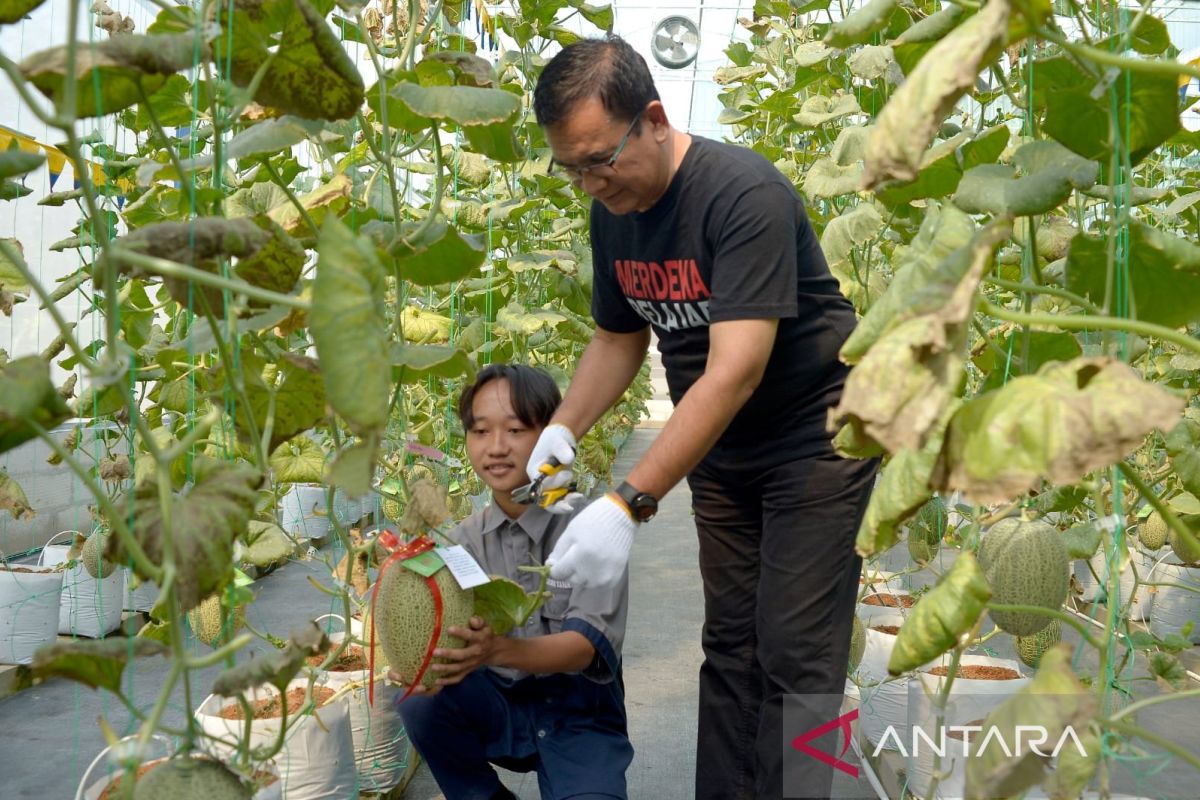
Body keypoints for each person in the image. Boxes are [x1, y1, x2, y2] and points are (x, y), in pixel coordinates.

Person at [527, 36, 879, 799]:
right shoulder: (614, 210)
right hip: (726, 450)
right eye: (571, 168)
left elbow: (735, 371)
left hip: (817, 438)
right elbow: (618, 337)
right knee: (730, 645)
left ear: (652, 118)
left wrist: (629, 502)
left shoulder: (741, 194)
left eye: (599, 159)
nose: (589, 183)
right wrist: (564, 428)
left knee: (796, 652)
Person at [392, 363, 633, 800]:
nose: (496, 448)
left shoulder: (593, 528)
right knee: (417, 699)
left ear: (551, 435)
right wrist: (414, 653)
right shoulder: (460, 542)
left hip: (581, 719)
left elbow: (585, 647)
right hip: (501, 710)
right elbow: (433, 631)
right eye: (480, 431)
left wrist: (499, 648)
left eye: (516, 430)